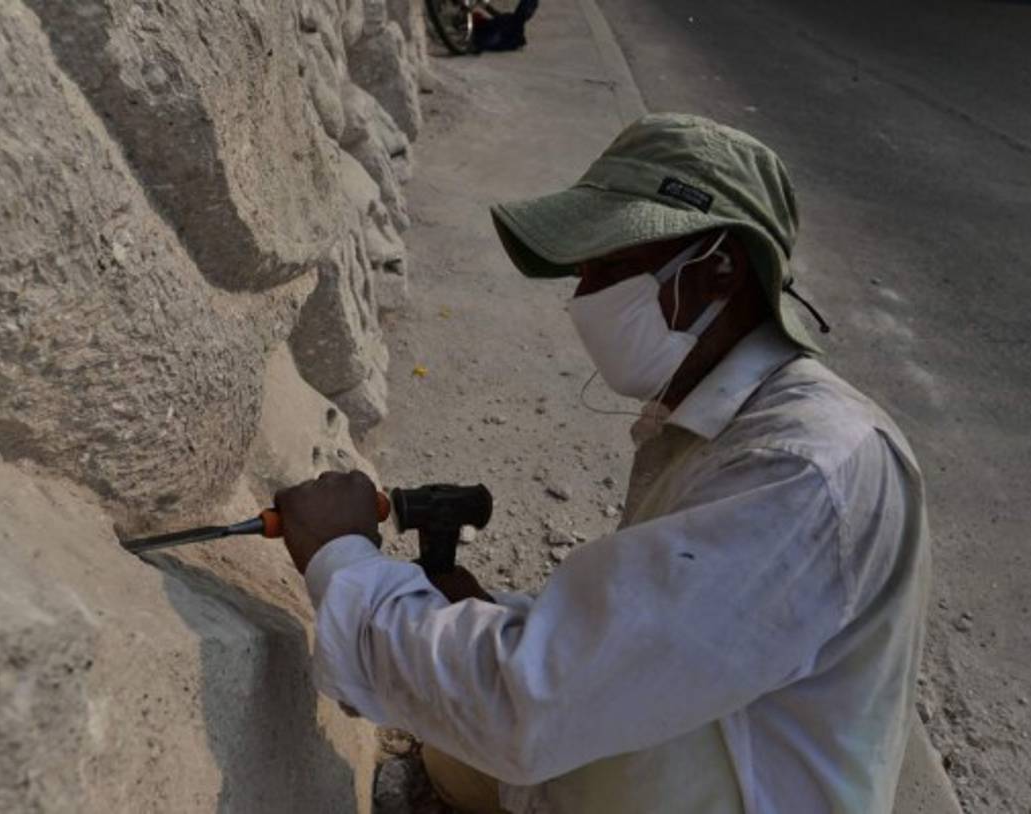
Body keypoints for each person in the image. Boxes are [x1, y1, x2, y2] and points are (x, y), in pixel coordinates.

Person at [275, 113, 931, 813]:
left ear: (715, 271)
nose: (583, 296)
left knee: (476, 731)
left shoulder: (798, 472)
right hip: (683, 760)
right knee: (450, 744)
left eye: (610, 266)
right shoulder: (725, 420)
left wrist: (343, 562)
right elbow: (657, 638)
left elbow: (532, 707)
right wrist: (496, 614)